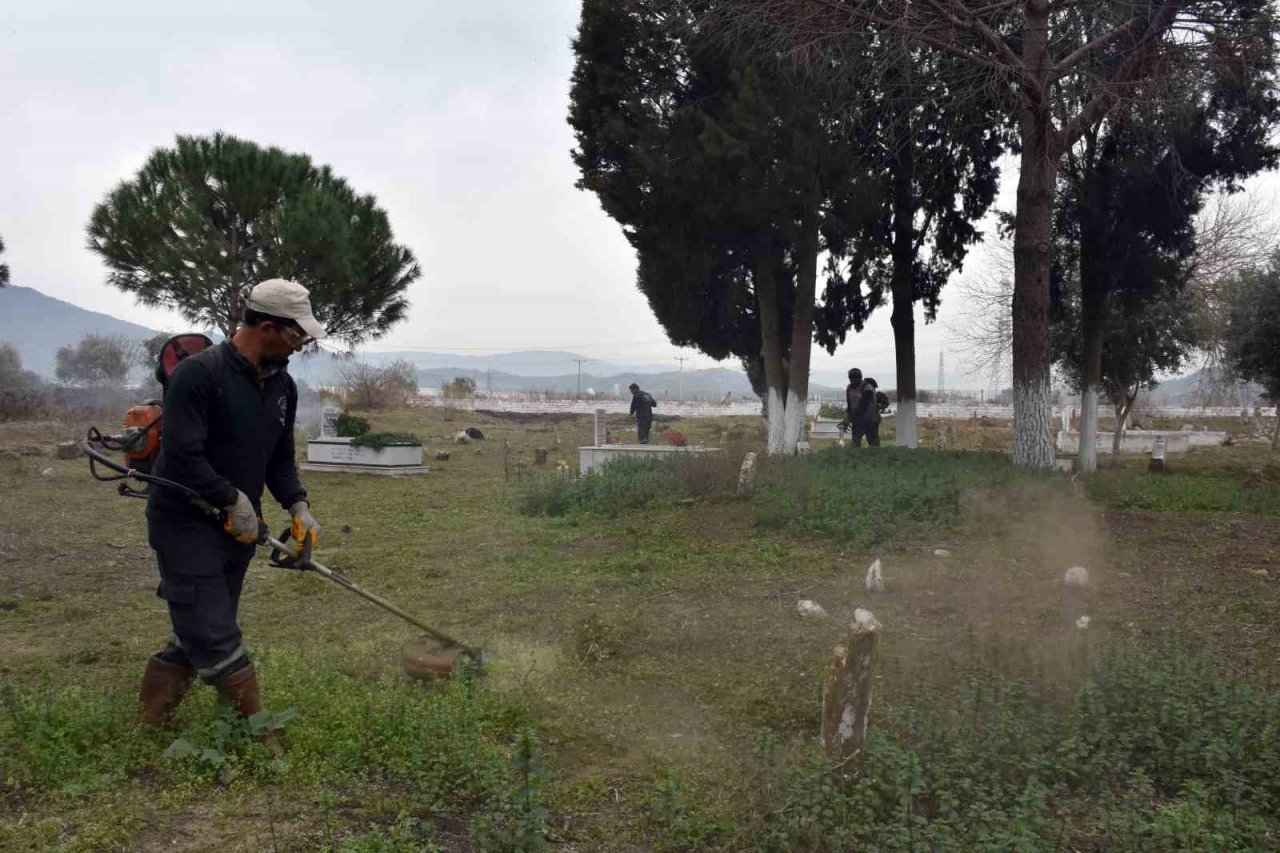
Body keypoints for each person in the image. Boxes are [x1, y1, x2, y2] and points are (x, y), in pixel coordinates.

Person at [138, 279, 325, 742]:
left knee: (200, 626)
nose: (301, 345)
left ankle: (150, 725)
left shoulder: (283, 385)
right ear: (266, 327)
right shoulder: (198, 376)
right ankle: (260, 737)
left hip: (239, 528)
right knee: (216, 632)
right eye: (297, 335)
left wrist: (299, 506)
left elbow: (278, 459)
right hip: (184, 521)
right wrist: (230, 498)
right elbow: (182, 456)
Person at [845, 368, 882, 448]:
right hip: (858, 420)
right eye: (852, 379)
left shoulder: (867, 388)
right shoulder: (849, 388)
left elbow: (863, 405)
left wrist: (853, 418)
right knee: (855, 445)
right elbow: (849, 406)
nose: (853, 382)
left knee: (873, 445)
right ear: (850, 379)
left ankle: (874, 459)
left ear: (860, 378)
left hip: (871, 420)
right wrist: (847, 418)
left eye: (856, 379)